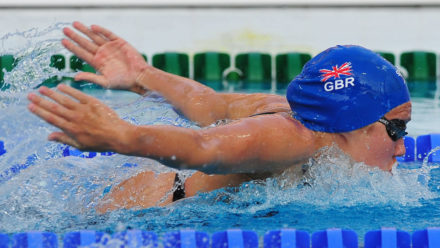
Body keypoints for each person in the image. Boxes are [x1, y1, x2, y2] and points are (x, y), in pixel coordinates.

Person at [27, 22, 411, 212]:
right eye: (396, 129)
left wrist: (143, 75)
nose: (402, 147)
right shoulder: (292, 139)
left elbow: (211, 106)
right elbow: (203, 146)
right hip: (143, 211)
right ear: (351, 121)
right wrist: (123, 137)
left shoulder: (293, 110)